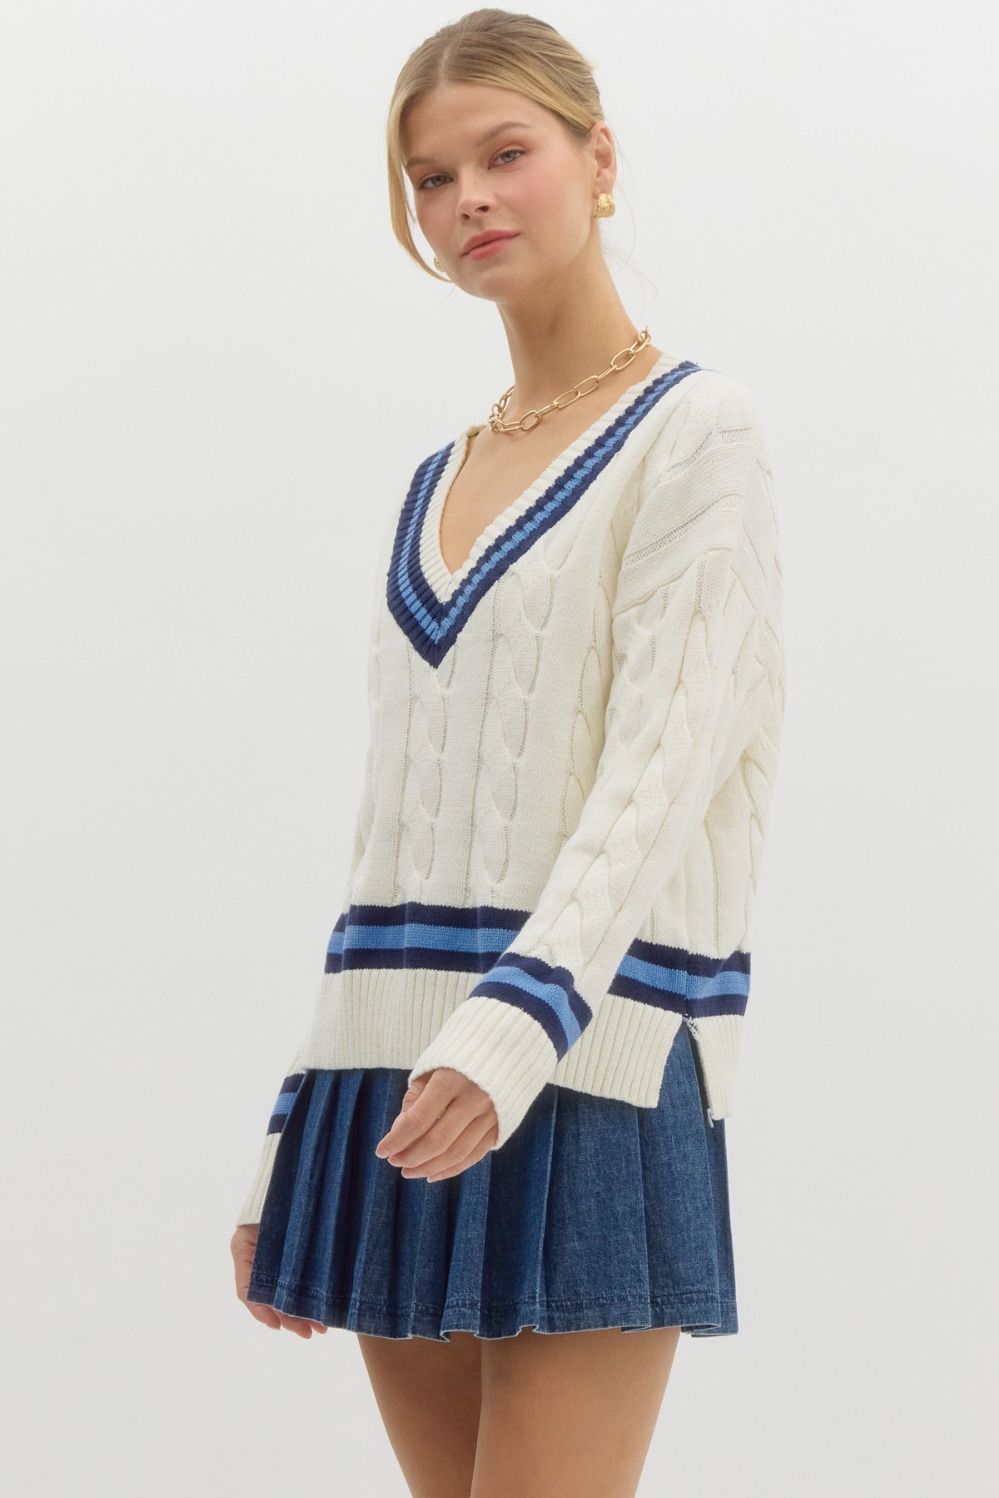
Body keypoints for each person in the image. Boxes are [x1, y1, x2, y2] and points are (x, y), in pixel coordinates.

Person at [230, 9, 786, 1496]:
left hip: (586, 1057)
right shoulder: (437, 480)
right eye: (431, 177)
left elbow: (661, 773)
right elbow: (390, 830)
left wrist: (514, 1026)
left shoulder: (698, 434)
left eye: (505, 154)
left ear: (598, 161)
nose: (467, 198)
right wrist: (298, 1114)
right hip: (391, 1076)